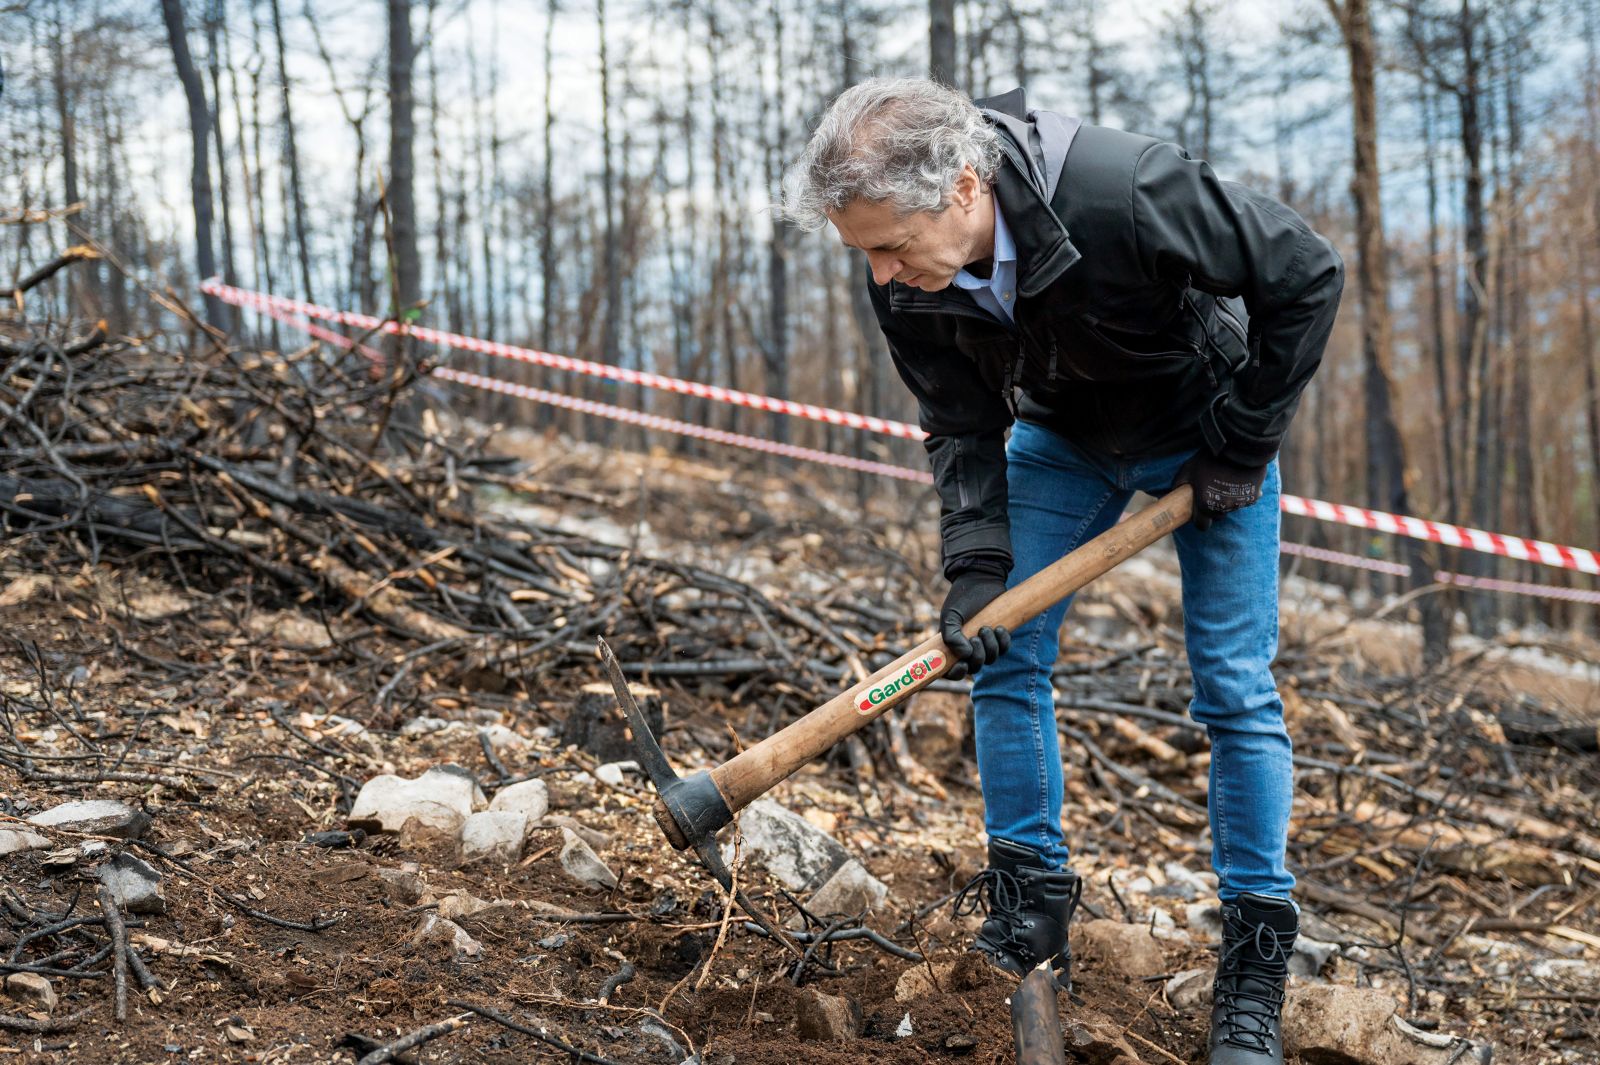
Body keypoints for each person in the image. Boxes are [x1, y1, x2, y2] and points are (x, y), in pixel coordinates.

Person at [781, 77, 1342, 1065]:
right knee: (1002, 648)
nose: (878, 273)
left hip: (1204, 427)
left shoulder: (1122, 190)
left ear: (962, 190)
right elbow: (958, 422)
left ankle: (1254, 956)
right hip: (1064, 434)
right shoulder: (904, 279)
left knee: (1233, 686)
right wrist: (975, 563)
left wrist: (1244, 439)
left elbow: (1303, 269)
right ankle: (1030, 914)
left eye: (889, 246)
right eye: (860, 250)